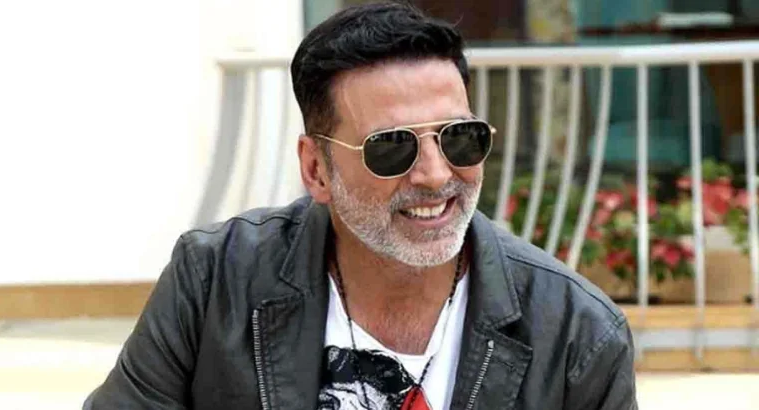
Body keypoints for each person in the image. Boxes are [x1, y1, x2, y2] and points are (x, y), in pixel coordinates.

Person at [84, 2, 637, 409]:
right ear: (316, 170)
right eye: (391, 147)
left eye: (459, 138)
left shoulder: (577, 333)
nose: (436, 174)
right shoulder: (214, 284)